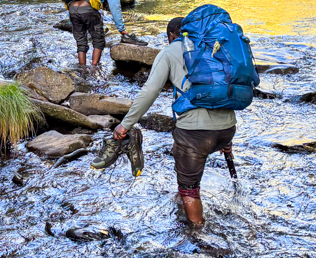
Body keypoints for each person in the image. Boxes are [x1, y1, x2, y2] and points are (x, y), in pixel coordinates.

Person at [100, 16, 237, 226]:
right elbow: (221, 89)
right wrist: (226, 140)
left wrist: (125, 124)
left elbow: (150, 91)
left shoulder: (169, 51)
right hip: (226, 128)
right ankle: (183, 199)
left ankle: (198, 236)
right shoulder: (211, 48)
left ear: (171, 36)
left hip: (195, 133)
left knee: (189, 188)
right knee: (181, 156)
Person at [67, 0, 129, 66]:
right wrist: (121, 28)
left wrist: (70, 20)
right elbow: (114, 4)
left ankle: (82, 69)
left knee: (81, 42)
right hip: (89, 10)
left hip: (73, 10)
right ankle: (94, 68)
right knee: (98, 41)